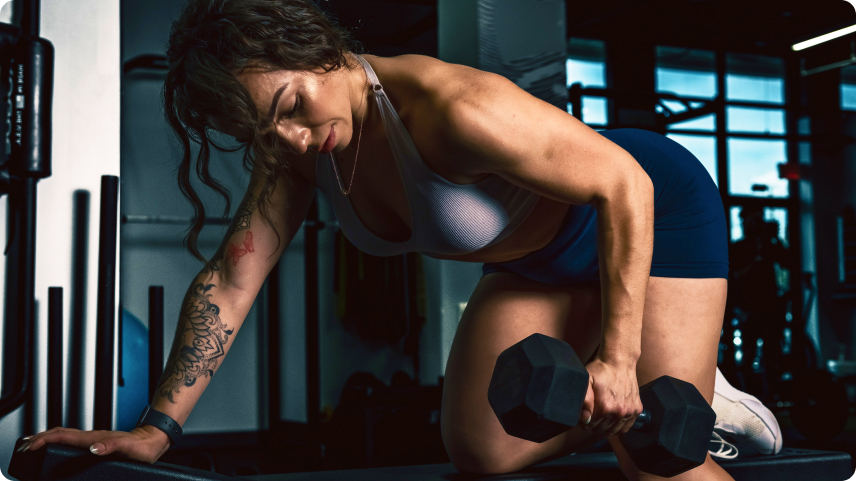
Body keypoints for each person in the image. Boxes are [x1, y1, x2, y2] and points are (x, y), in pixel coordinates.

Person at [17, 0, 781, 478]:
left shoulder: (450, 107)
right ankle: (656, 389)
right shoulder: (295, 154)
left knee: (654, 458)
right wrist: (156, 430)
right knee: (480, 449)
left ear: (317, 47)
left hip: (649, 207)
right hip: (537, 257)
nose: (289, 135)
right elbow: (230, 279)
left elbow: (626, 187)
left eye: (291, 103)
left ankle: (700, 401)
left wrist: (617, 360)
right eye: (264, 129)